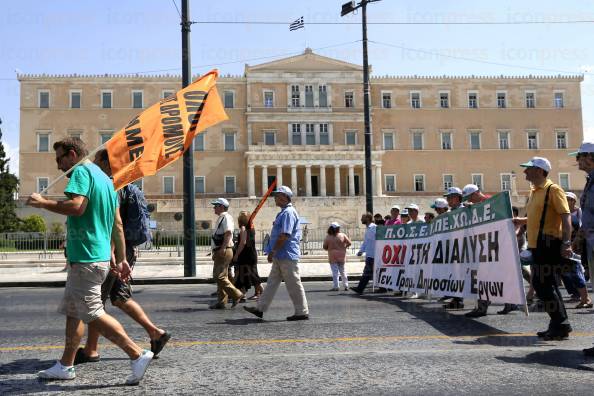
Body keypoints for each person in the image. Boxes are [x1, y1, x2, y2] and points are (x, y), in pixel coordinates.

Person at [27, 138, 153, 384]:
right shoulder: (107, 180)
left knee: (93, 312)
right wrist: (122, 259)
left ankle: (136, 354)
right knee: (74, 312)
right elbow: (117, 224)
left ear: (72, 154)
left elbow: (76, 207)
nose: (58, 166)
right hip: (99, 256)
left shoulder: (81, 172)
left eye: (60, 158)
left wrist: (42, 203)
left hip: (86, 256)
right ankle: (65, 365)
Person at [72, 150, 171, 365]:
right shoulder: (125, 185)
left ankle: (92, 350)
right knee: (119, 298)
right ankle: (156, 333)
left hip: (114, 250)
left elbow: (112, 224)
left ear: (107, 163)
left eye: (98, 160)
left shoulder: (111, 185)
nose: (95, 164)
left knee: (96, 302)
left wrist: (112, 256)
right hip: (123, 249)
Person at [513, 156, 573, 340]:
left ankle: (560, 324)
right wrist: (520, 221)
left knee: (543, 284)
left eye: (529, 168)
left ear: (539, 171)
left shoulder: (552, 189)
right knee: (546, 285)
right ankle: (559, 324)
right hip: (536, 244)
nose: (525, 171)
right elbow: (535, 217)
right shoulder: (534, 192)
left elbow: (565, 217)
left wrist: (566, 243)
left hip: (549, 243)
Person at [244, 186, 309, 321]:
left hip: (286, 254)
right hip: (281, 254)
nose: (275, 198)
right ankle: (260, 309)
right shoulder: (284, 212)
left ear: (284, 197)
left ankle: (302, 311)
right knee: (272, 283)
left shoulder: (288, 213)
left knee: (293, 283)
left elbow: (284, 235)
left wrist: (273, 251)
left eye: (277, 195)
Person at [573, 142, 594, 355]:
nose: (577, 160)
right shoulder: (590, 182)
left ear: (590, 156)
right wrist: (579, 236)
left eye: (580, 155)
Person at [463, 184, 493, 318]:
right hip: (480, 246)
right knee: (480, 277)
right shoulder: (475, 205)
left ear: (475, 194)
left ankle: (482, 306)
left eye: (469, 197)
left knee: (488, 277)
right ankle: (481, 305)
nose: (469, 200)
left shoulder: (491, 201)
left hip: (491, 245)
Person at [210, 198, 244, 309]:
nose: (214, 208)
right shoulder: (222, 218)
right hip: (221, 249)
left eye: (216, 206)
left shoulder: (226, 217)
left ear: (221, 206)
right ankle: (221, 302)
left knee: (219, 277)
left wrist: (223, 248)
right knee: (223, 276)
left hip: (224, 249)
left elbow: (228, 233)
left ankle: (236, 294)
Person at [233, 211, 263, 301]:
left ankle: (245, 294)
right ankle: (256, 293)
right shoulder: (252, 228)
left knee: (245, 274)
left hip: (246, 255)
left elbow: (243, 243)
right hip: (252, 253)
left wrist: (237, 254)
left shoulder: (243, 228)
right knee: (252, 273)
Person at [442, 187, 465, 309]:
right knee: (456, 274)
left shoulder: (465, 209)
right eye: (447, 198)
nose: (448, 200)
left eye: (450, 198)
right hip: (454, 247)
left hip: (464, 247)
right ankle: (457, 299)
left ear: (457, 197)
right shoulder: (450, 213)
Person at [349, 213, 376, 295]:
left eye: (362, 218)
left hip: (374, 255)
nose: (361, 219)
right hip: (369, 254)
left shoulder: (374, 228)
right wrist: (361, 250)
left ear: (367, 218)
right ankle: (360, 288)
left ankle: (360, 288)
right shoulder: (368, 229)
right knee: (370, 273)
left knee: (367, 273)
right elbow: (366, 242)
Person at [323, 222, 352, 291]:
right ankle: (346, 285)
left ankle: (336, 286)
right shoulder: (342, 235)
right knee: (343, 271)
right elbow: (349, 243)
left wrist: (329, 248)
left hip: (332, 256)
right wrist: (345, 247)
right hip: (342, 255)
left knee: (335, 272)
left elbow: (324, 246)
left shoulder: (328, 237)